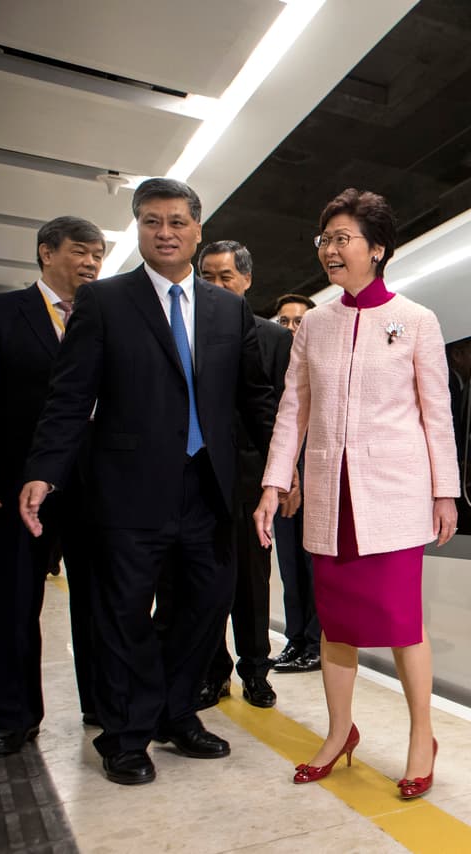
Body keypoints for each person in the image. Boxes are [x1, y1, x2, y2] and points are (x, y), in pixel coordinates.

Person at [19, 179, 277, 786]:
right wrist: (42, 470)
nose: (166, 232)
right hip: (127, 489)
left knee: (204, 607)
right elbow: (69, 396)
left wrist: (280, 467)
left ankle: (176, 711)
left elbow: (254, 397)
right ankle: (128, 734)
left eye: (178, 222)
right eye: (153, 222)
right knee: (124, 614)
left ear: (197, 230)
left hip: (208, 489)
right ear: (138, 228)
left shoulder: (227, 307)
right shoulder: (105, 301)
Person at [254, 188, 458, 797]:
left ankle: (422, 736)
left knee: (402, 623)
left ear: (378, 248)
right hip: (329, 495)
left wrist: (444, 492)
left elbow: (436, 414)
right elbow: (293, 409)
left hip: (394, 496)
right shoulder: (314, 324)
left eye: (343, 238)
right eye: (325, 240)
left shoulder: (417, 320)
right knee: (336, 625)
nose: (330, 250)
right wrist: (274, 481)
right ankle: (340, 731)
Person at [0, 216, 106, 755]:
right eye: (80, 252)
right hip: (16, 479)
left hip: (95, 482)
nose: (92, 263)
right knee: (14, 600)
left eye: (98, 253)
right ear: (45, 253)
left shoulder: (107, 316)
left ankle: (102, 702)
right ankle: (16, 715)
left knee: (99, 599)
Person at [196, 241, 295, 708]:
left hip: (252, 480)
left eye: (225, 277)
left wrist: (284, 475)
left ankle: (256, 669)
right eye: (207, 277)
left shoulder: (275, 339)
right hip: (197, 478)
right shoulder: (187, 331)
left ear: (247, 281)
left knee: (253, 582)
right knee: (201, 579)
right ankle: (211, 671)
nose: (215, 286)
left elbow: (282, 412)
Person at [269, 292, 321, 674]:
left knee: (313, 565)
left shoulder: (321, 368)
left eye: (299, 321)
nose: (291, 328)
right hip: (284, 479)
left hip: (318, 479)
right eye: (284, 321)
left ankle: (317, 643)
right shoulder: (273, 371)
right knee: (289, 566)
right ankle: (295, 639)